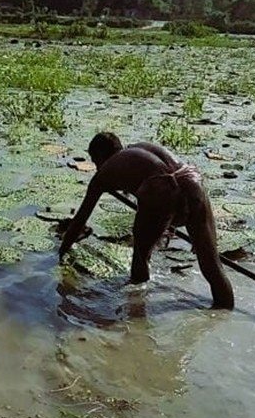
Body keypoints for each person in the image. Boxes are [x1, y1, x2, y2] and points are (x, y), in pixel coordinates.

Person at [58, 132, 234, 310]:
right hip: (192, 181)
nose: (97, 168)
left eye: (96, 162)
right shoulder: (137, 150)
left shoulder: (105, 173)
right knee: (212, 263)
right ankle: (225, 309)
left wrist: (61, 251)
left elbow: (80, 219)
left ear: (100, 156)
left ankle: (137, 317)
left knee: (141, 258)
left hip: (160, 188)